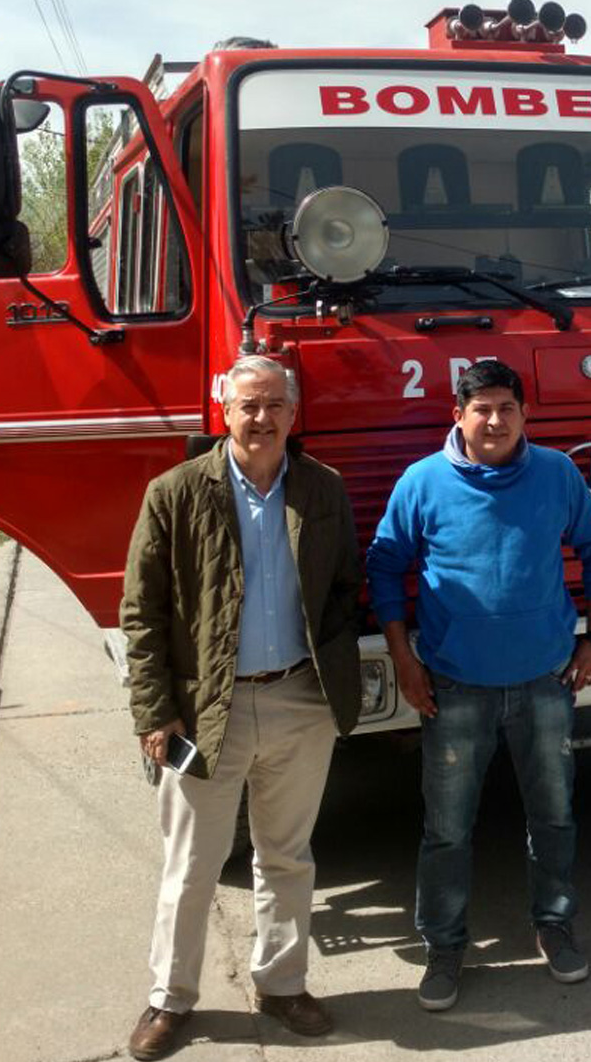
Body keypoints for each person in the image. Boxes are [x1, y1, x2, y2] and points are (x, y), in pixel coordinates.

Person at [119, 355, 363, 1058]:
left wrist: (331, 675)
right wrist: (154, 712)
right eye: (248, 406)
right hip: (205, 712)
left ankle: (283, 985)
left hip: (299, 701)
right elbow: (142, 613)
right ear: (223, 409)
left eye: (274, 406)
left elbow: (346, 585)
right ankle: (170, 1000)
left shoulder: (323, 489)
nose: (261, 419)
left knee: (287, 856)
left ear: (293, 413)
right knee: (191, 864)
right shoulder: (174, 492)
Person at [364, 359, 591, 1012]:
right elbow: (385, 565)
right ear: (458, 414)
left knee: (554, 816)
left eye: (507, 407)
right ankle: (445, 946)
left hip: (544, 683)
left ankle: (555, 924)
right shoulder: (422, 482)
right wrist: (403, 656)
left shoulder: (557, 474)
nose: (495, 420)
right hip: (454, 688)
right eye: (482, 408)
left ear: (524, 414)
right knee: (447, 828)